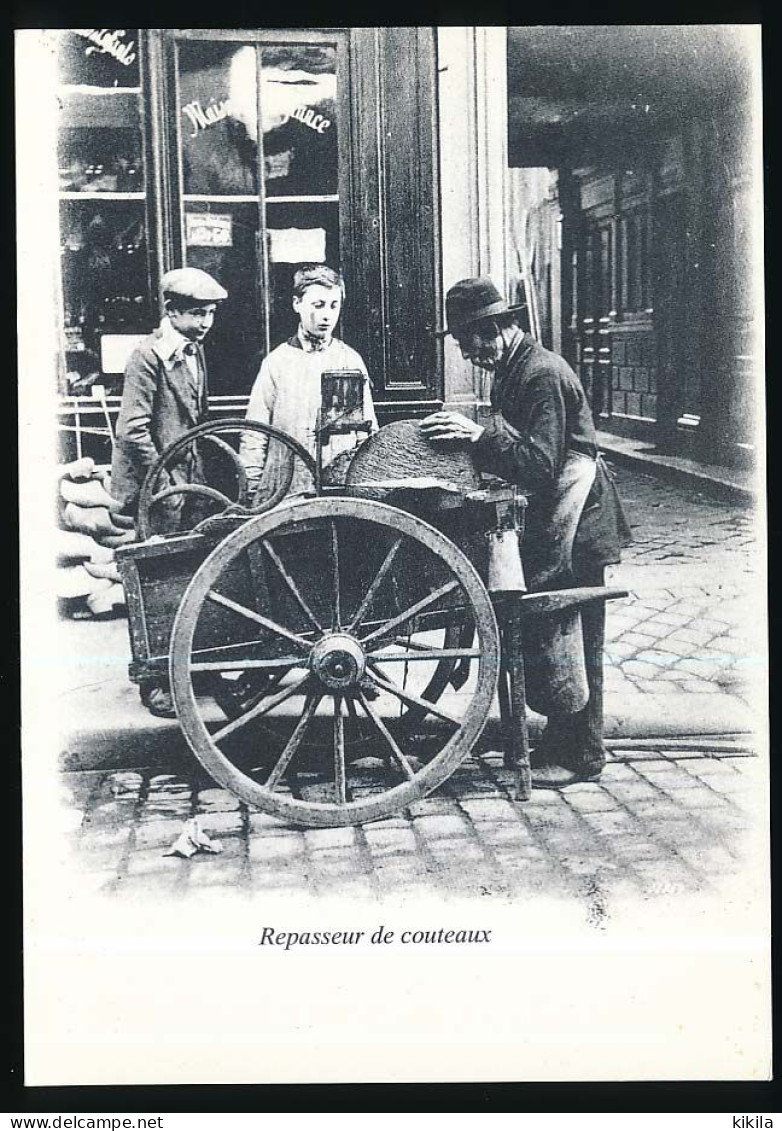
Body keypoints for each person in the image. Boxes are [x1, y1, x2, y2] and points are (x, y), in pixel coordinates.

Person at [420, 277, 631, 785]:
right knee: (553, 628)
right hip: (553, 511)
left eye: (468, 345)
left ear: (493, 330)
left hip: (578, 516)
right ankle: (562, 742)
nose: (469, 356)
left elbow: (539, 464)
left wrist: (476, 436)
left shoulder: (540, 374)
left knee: (577, 634)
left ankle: (584, 752)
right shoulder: (512, 369)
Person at [110, 266, 228, 716]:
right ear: (171, 310)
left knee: (192, 573)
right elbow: (134, 430)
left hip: (188, 480)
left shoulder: (194, 352)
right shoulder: (148, 356)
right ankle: (156, 680)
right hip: (154, 486)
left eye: (211, 313)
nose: (205, 322)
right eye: (197, 313)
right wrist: (164, 484)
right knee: (157, 581)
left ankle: (195, 663)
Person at [240, 265, 378, 498]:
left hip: (340, 489)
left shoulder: (350, 360)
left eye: (334, 306)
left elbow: (368, 430)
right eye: (318, 305)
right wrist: (252, 489)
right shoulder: (277, 362)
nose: (327, 315)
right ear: (297, 304)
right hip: (286, 489)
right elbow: (255, 432)